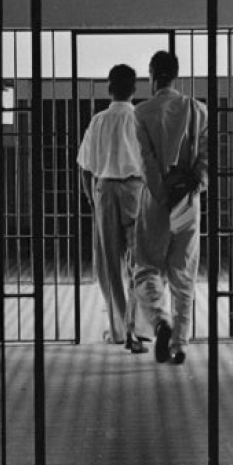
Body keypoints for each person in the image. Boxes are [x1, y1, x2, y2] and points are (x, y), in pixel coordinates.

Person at [133, 50, 208, 365]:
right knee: (183, 273)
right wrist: (193, 187)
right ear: (176, 75)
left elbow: (146, 161)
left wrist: (162, 194)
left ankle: (160, 321)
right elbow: (206, 159)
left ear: (152, 75)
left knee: (147, 267)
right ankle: (180, 345)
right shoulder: (197, 110)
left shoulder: (141, 112)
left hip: (155, 201)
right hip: (188, 202)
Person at [76, 63, 148, 353]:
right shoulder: (140, 119)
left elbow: (84, 168)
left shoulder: (99, 121)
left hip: (105, 189)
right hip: (135, 190)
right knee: (140, 260)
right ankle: (137, 326)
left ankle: (118, 329)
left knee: (109, 263)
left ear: (109, 88)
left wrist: (92, 198)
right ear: (134, 89)